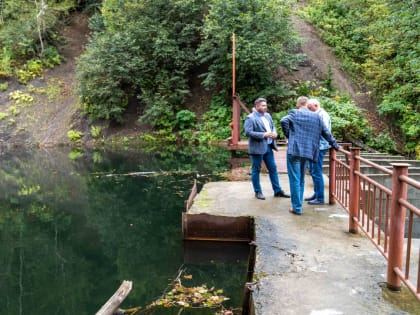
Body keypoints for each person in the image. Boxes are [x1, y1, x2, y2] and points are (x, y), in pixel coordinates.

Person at [280, 100, 339, 215]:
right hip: (308, 152)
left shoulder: (295, 113)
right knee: (301, 179)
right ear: (308, 106)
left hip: (294, 151)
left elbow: (283, 121)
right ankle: (298, 205)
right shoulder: (316, 117)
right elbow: (326, 133)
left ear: (299, 106)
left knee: (295, 179)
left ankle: (297, 207)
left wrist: (289, 135)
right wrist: (335, 145)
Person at [244, 97, 290, 200]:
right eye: (263, 105)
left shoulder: (268, 115)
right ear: (257, 106)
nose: (265, 107)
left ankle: (277, 191)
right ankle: (258, 192)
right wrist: (263, 134)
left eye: (266, 105)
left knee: (273, 169)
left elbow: (272, 126)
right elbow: (248, 132)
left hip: (269, 147)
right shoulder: (250, 118)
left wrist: (274, 133)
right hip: (257, 148)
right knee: (256, 170)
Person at [304, 98, 332, 205]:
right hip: (316, 146)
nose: (309, 110)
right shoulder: (317, 114)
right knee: (314, 171)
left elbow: (322, 131)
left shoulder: (322, 115)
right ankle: (316, 194)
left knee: (316, 172)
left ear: (315, 106)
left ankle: (320, 198)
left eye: (310, 108)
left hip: (320, 147)